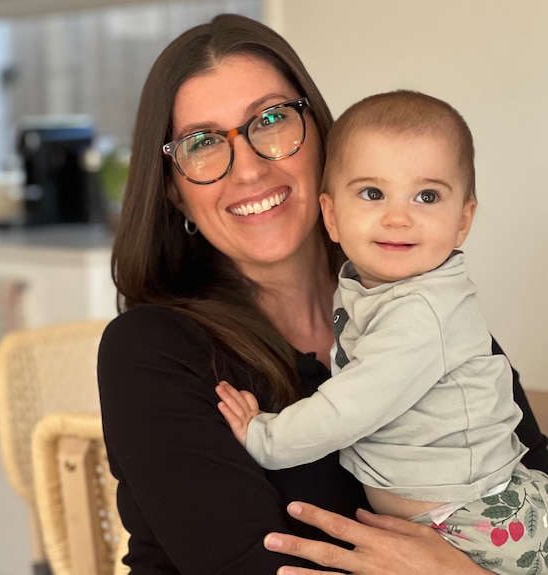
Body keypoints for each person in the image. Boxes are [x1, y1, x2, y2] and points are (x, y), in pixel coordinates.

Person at [96, 12, 548, 575]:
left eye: (270, 119)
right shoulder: (152, 352)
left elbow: (530, 469)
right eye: (204, 142)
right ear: (175, 191)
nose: (249, 170)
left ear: (325, 146)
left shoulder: (421, 302)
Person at [215, 89, 548, 574]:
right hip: (447, 519)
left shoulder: (422, 314)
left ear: (463, 220)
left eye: (427, 196)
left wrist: (264, 436)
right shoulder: (372, 288)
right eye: (373, 193)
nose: (398, 216)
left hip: (476, 525)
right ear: (332, 216)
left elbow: (347, 408)